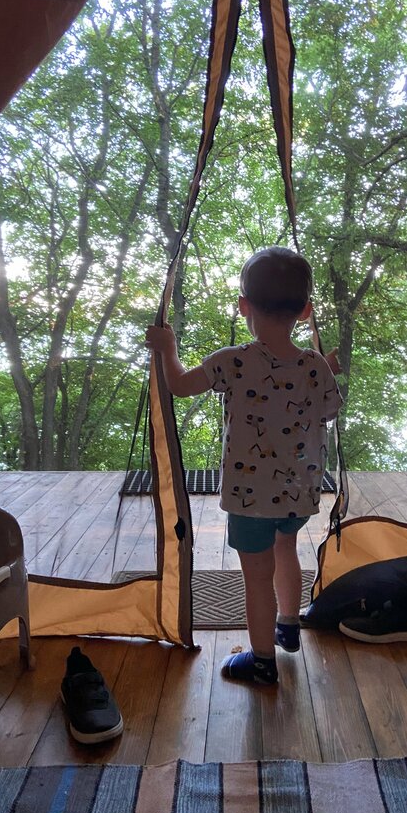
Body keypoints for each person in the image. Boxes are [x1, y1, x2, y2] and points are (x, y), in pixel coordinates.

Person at [145, 246, 342, 685]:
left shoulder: (233, 360)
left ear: (244, 306)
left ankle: (262, 661)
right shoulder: (313, 365)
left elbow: (180, 385)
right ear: (306, 311)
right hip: (299, 491)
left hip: (251, 496)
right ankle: (287, 624)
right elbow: (329, 410)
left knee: (256, 577)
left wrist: (168, 348)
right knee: (287, 549)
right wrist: (324, 369)